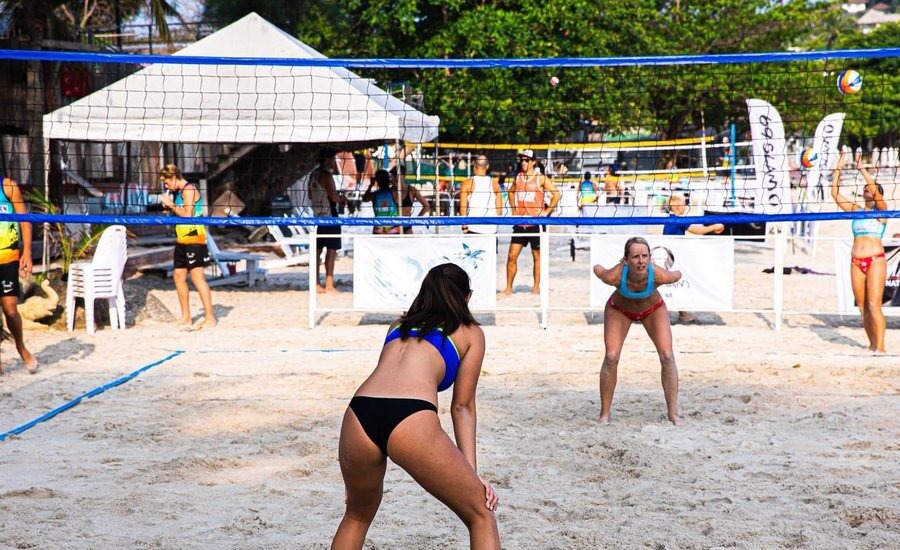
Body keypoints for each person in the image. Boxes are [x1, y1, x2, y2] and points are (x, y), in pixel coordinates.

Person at [332, 263, 500, 549]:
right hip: (410, 416)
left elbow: (389, 378)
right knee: (481, 514)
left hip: (359, 413)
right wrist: (471, 474)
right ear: (466, 297)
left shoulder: (398, 325)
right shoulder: (470, 332)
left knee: (357, 515)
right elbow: (463, 407)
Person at [592, 237, 684, 426]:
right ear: (625, 260)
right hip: (619, 310)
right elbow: (598, 270)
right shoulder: (615, 276)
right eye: (635, 257)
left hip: (653, 309)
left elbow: (677, 275)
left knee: (667, 355)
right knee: (611, 356)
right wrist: (599, 267)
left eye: (645, 256)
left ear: (650, 258)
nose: (641, 261)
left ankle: (673, 413)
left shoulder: (658, 275)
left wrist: (675, 271)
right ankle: (604, 414)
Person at [830, 150, 888, 352]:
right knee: (863, 308)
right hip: (856, 260)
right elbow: (835, 194)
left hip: (875, 260)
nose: (866, 190)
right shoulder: (856, 210)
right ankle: (872, 344)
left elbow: (878, 194)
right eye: (864, 189)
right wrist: (839, 167)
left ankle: (880, 348)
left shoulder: (883, 211)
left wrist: (862, 169)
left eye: (869, 189)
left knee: (874, 305)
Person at [159, 165, 217, 330]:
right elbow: (179, 212)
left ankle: (210, 317)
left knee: (198, 277)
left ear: (174, 177)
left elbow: (188, 215)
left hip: (195, 238)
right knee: (178, 276)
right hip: (182, 239)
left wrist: (171, 205)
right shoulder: (177, 192)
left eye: (166, 181)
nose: (165, 185)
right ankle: (186, 317)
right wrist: (169, 207)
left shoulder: (189, 190)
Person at [503, 149, 561, 295]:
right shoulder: (518, 177)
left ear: (533, 162)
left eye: (526, 160)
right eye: (522, 160)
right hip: (520, 224)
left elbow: (556, 194)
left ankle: (535, 288)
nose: (523, 162)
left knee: (537, 257)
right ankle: (509, 287)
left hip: (536, 224)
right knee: (511, 256)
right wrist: (514, 209)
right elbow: (510, 192)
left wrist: (546, 213)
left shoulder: (540, 178)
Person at [663, 194, 725, 323]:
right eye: (683, 203)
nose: (685, 206)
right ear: (674, 206)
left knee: (675, 282)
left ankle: (682, 312)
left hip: (672, 255)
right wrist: (714, 227)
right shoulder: (677, 220)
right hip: (672, 256)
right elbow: (697, 230)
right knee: (675, 282)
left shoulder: (672, 219)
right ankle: (682, 313)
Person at [0, 174, 37, 374]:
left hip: (7, 258)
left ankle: (21, 347)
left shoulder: (8, 187)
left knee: (10, 310)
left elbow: (25, 221)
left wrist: (28, 253)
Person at [309, 149, 347, 293]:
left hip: (318, 218)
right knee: (331, 251)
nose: (333, 162)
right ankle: (329, 285)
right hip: (330, 218)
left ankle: (316, 284)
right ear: (328, 160)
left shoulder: (313, 175)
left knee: (317, 252)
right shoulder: (326, 175)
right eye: (332, 159)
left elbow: (310, 196)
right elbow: (333, 197)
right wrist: (342, 198)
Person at [459, 155, 502, 235]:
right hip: (491, 229)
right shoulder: (495, 184)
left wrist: (464, 226)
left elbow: (463, 208)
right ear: (487, 166)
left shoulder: (467, 183)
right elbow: (499, 211)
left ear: (474, 165)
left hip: (473, 228)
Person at [362, 169, 401, 235]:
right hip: (393, 227)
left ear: (377, 181)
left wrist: (371, 185)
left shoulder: (374, 195)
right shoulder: (394, 192)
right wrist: (392, 180)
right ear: (388, 180)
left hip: (379, 227)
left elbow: (364, 199)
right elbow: (400, 189)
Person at [393, 165, 430, 234]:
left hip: (407, 227)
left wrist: (416, 220)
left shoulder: (411, 190)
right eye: (394, 174)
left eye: (397, 174)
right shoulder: (391, 191)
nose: (395, 177)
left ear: (404, 175)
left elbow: (426, 206)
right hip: (392, 227)